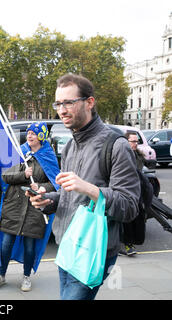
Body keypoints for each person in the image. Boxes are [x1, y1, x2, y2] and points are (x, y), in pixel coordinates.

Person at [28, 74, 140, 300]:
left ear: (89, 102)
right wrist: (48, 199)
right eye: (58, 103)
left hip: (93, 250)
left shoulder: (116, 145)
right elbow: (68, 196)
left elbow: (129, 206)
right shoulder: (69, 146)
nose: (62, 110)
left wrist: (89, 188)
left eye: (69, 102)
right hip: (67, 244)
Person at [0, 122, 60, 292]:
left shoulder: (48, 156)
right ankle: (1, 275)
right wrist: (23, 174)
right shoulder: (18, 152)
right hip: (14, 206)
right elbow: (5, 175)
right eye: (28, 133)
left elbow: (56, 183)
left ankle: (26, 276)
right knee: (6, 244)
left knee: (30, 246)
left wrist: (42, 187)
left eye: (34, 134)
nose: (29, 136)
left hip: (35, 208)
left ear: (41, 136)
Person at [119, 132, 144, 256]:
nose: (135, 144)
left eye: (136, 141)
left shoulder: (138, 156)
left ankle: (130, 243)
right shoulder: (121, 154)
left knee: (135, 219)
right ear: (126, 141)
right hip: (123, 191)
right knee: (125, 220)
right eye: (133, 141)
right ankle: (127, 245)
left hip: (135, 192)